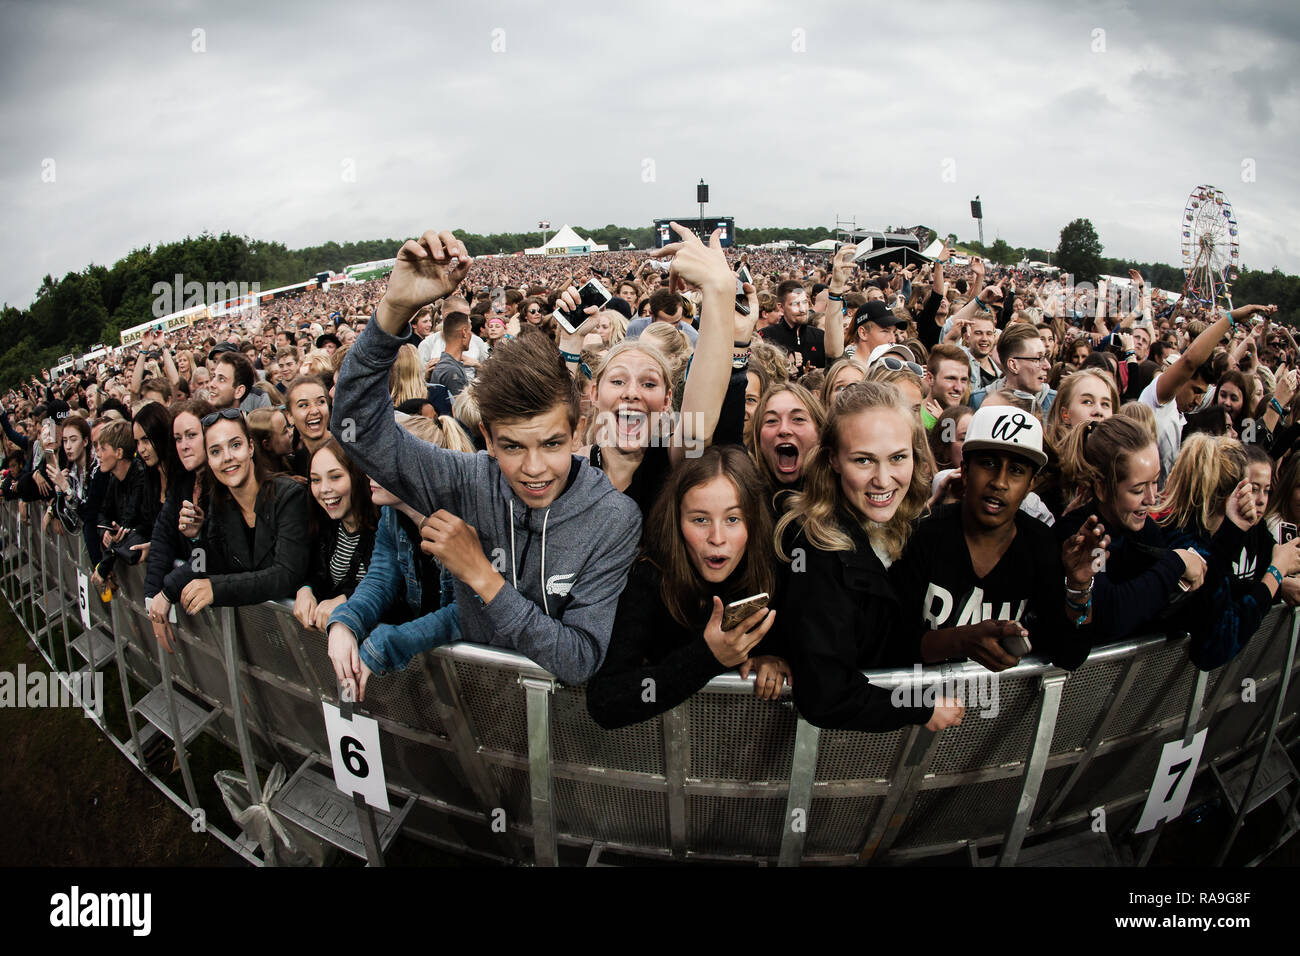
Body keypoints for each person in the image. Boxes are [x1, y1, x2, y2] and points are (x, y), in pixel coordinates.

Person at [330, 229, 642, 686]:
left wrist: (480, 574)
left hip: (570, 735)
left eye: (552, 444)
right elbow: (359, 431)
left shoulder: (614, 518)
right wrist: (394, 311)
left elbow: (579, 658)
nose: (534, 468)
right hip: (477, 711)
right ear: (487, 439)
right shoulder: (469, 479)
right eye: (513, 446)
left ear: (578, 431)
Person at [772, 382, 963, 732]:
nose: (883, 479)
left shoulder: (917, 525)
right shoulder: (814, 552)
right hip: (827, 753)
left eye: (898, 458)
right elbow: (825, 694)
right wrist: (917, 709)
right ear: (833, 459)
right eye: (863, 460)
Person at [892, 404, 1103, 673]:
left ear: (1030, 484)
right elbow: (891, 644)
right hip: (922, 706)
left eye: (1016, 470)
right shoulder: (921, 535)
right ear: (965, 471)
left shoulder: (1041, 545)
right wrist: (961, 640)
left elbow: (1069, 654)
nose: (1000, 482)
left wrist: (1078, 586)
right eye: (989, 464)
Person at [586, 446, 785, 729]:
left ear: (753, 522)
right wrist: (708, 657)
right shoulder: (649, 577)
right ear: (677, 521)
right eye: (700, 519)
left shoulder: (774, 570)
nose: (717, 537)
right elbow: (605, 700)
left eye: (732, 519)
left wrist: (773, 661)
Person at [1053, 416, 1207, 641]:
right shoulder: (1084, 535)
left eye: (1155, 482)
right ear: (1102, 488)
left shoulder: (1146, 531)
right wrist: (1176, 564)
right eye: (1137, 490)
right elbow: (1111, 615)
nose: (1151, 498)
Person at [1160, 434, 1300, 670]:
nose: (1255, 501)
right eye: (1250, 489)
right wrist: (1275, 574)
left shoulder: (1204, 537)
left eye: (1265, 490)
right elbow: (1214, 648)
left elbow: (1229, 587)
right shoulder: (1187, 545)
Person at [158, 408, 311, 617]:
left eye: (235, 445)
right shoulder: (220, 504)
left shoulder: (288, 496)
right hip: (263, 630)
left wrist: (216, 588)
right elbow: (211, 567)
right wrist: (197, 538)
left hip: (305, 632)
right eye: (215, 451)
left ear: (250, 447)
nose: (227, 457)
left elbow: (285, 575)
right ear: (209, 461)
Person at [1141, 304, 1273, 485]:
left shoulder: (1183, 418)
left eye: (1202, 394)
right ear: (1181, 379)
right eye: (1195, 391)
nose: (1197, 401)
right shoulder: (1161, 399)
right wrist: (1230, 318)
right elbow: (1190, 360)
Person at [144, 398, 216, 650]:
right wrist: (151, 598)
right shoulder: (182, 482)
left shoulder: (224, 482)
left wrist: (168, 592)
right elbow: (162, 537)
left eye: (191, 435)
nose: (184, 446)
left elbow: (214, 553)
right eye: (177, 438)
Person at [294, 439, 379, 632]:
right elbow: (316, 573)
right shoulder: (324, 525)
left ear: (357, 476)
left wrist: (348, 599)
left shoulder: (385, 526)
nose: (324, 489)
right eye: (316, 480)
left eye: (335, 477)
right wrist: (306, 589)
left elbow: (396, 592)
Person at [746, 381, 825, 503]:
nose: (784, 429)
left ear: (819, 432)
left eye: (798, 419)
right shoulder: (743, 501)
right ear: (758, 437)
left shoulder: (843, 503)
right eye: (771, 421)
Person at [970, 324, 1056, 414]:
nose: (1047, 366)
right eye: (1038, 358)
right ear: (1013, 365)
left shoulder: (1055, 402)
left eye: (1045, 356)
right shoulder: (978, 401)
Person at [284, 375, 332, 476]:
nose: (314, 410)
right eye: (303, 405)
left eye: (321, 402)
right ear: (290, 417)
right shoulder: (299, 459)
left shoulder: (347, 449)